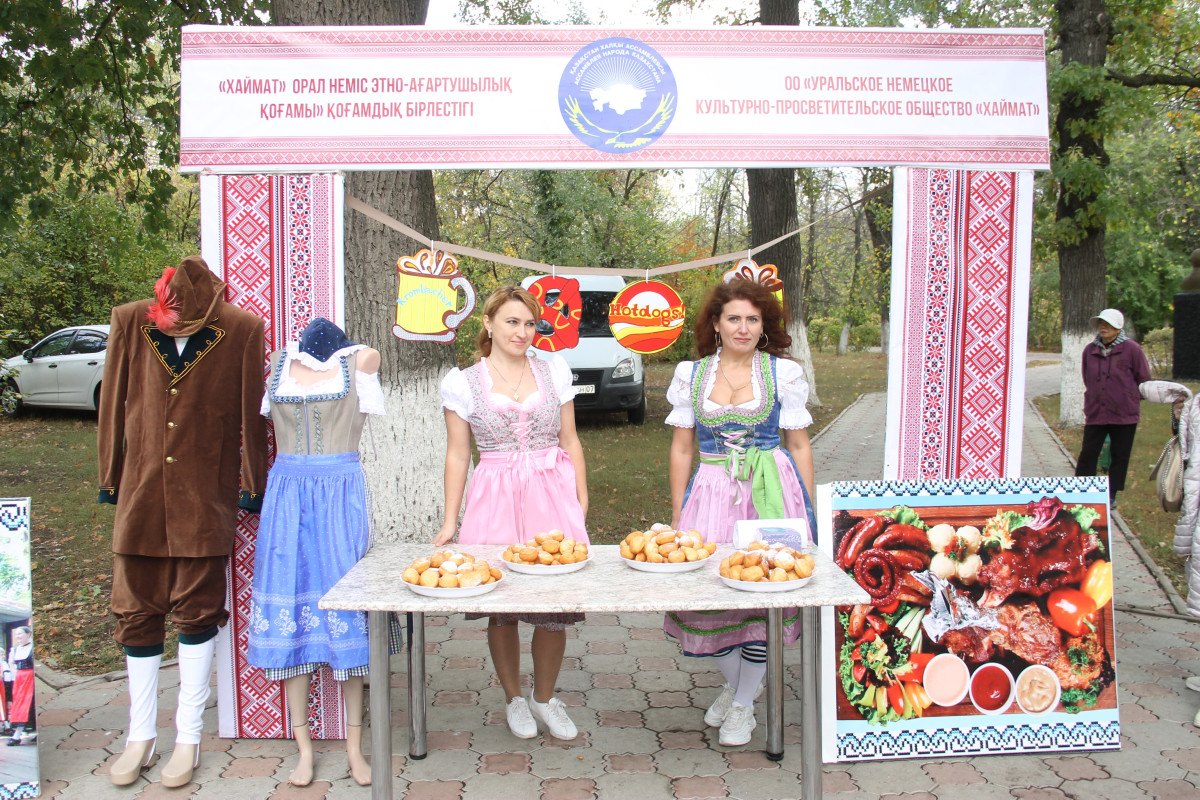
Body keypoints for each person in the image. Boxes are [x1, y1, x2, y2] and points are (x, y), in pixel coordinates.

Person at [98, 256, 269, 787]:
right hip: (141, 496)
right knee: (136, 612)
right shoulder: (130, 320)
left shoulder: (242, 329)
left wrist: (251, 485)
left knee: (197, 614)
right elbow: (112, 403)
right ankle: (140, 736)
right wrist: (110, 477)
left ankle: (188, 737)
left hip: (204, 497)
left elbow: (250, 416)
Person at [664, 278, 817, 747]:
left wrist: (806, 515)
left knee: (763, 595)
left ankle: (743, 703)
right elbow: (682, 448)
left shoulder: (782, 374)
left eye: (753, 319)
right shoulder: (692, 375)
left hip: (769, 490)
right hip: (711, 491)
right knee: (706, 596)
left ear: (763, 325)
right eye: (734, 318)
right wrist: (678, 511)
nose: (743, 328)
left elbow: (798, 445)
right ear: (716, 323)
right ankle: (739, 688)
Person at [247, 318, 397, 787]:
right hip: (286, 497)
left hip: (339, 498)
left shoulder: (360, 361)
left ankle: (354, 747)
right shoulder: (279, 363)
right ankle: (304, 749)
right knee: (294, 616)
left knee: (345, 610)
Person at [435, 285, 589, 742]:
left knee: (552, 605)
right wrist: (450, 520)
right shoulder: (463, 382)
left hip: (550, 491)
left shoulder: (553, 369)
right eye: (511, 321)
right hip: (495, 494)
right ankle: (514, 698)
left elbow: (570, 439)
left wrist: (580, 498)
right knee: (501, 608)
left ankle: (544, 697)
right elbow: (458, 454)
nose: (522, 332)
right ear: (488, 323)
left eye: (529, 323)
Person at [1075, 308, 1152, 506]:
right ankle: (1082, 492)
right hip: (1096, 412)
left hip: (1124, 414)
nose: (1103, 327)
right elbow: (1087, 378)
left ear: (1118, 328)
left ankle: (1111, 495)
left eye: (1108, 324)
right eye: (1101, 323)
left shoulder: (1132, 349)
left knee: (1120, 455)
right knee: (1088, 454)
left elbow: (1144, 379)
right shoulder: (1089, 350)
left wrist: (1129, 398)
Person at [4, 627, 34, 745]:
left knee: (31, 704)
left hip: (31, 677)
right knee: (21, 704)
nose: (17, 636)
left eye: (20, 634)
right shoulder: (15, 649)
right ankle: (17, 735)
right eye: (16, 634)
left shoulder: (32, 647)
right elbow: (11, 663)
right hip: (20, 679)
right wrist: (16, 673)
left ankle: (22, 733)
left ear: (28, 634)